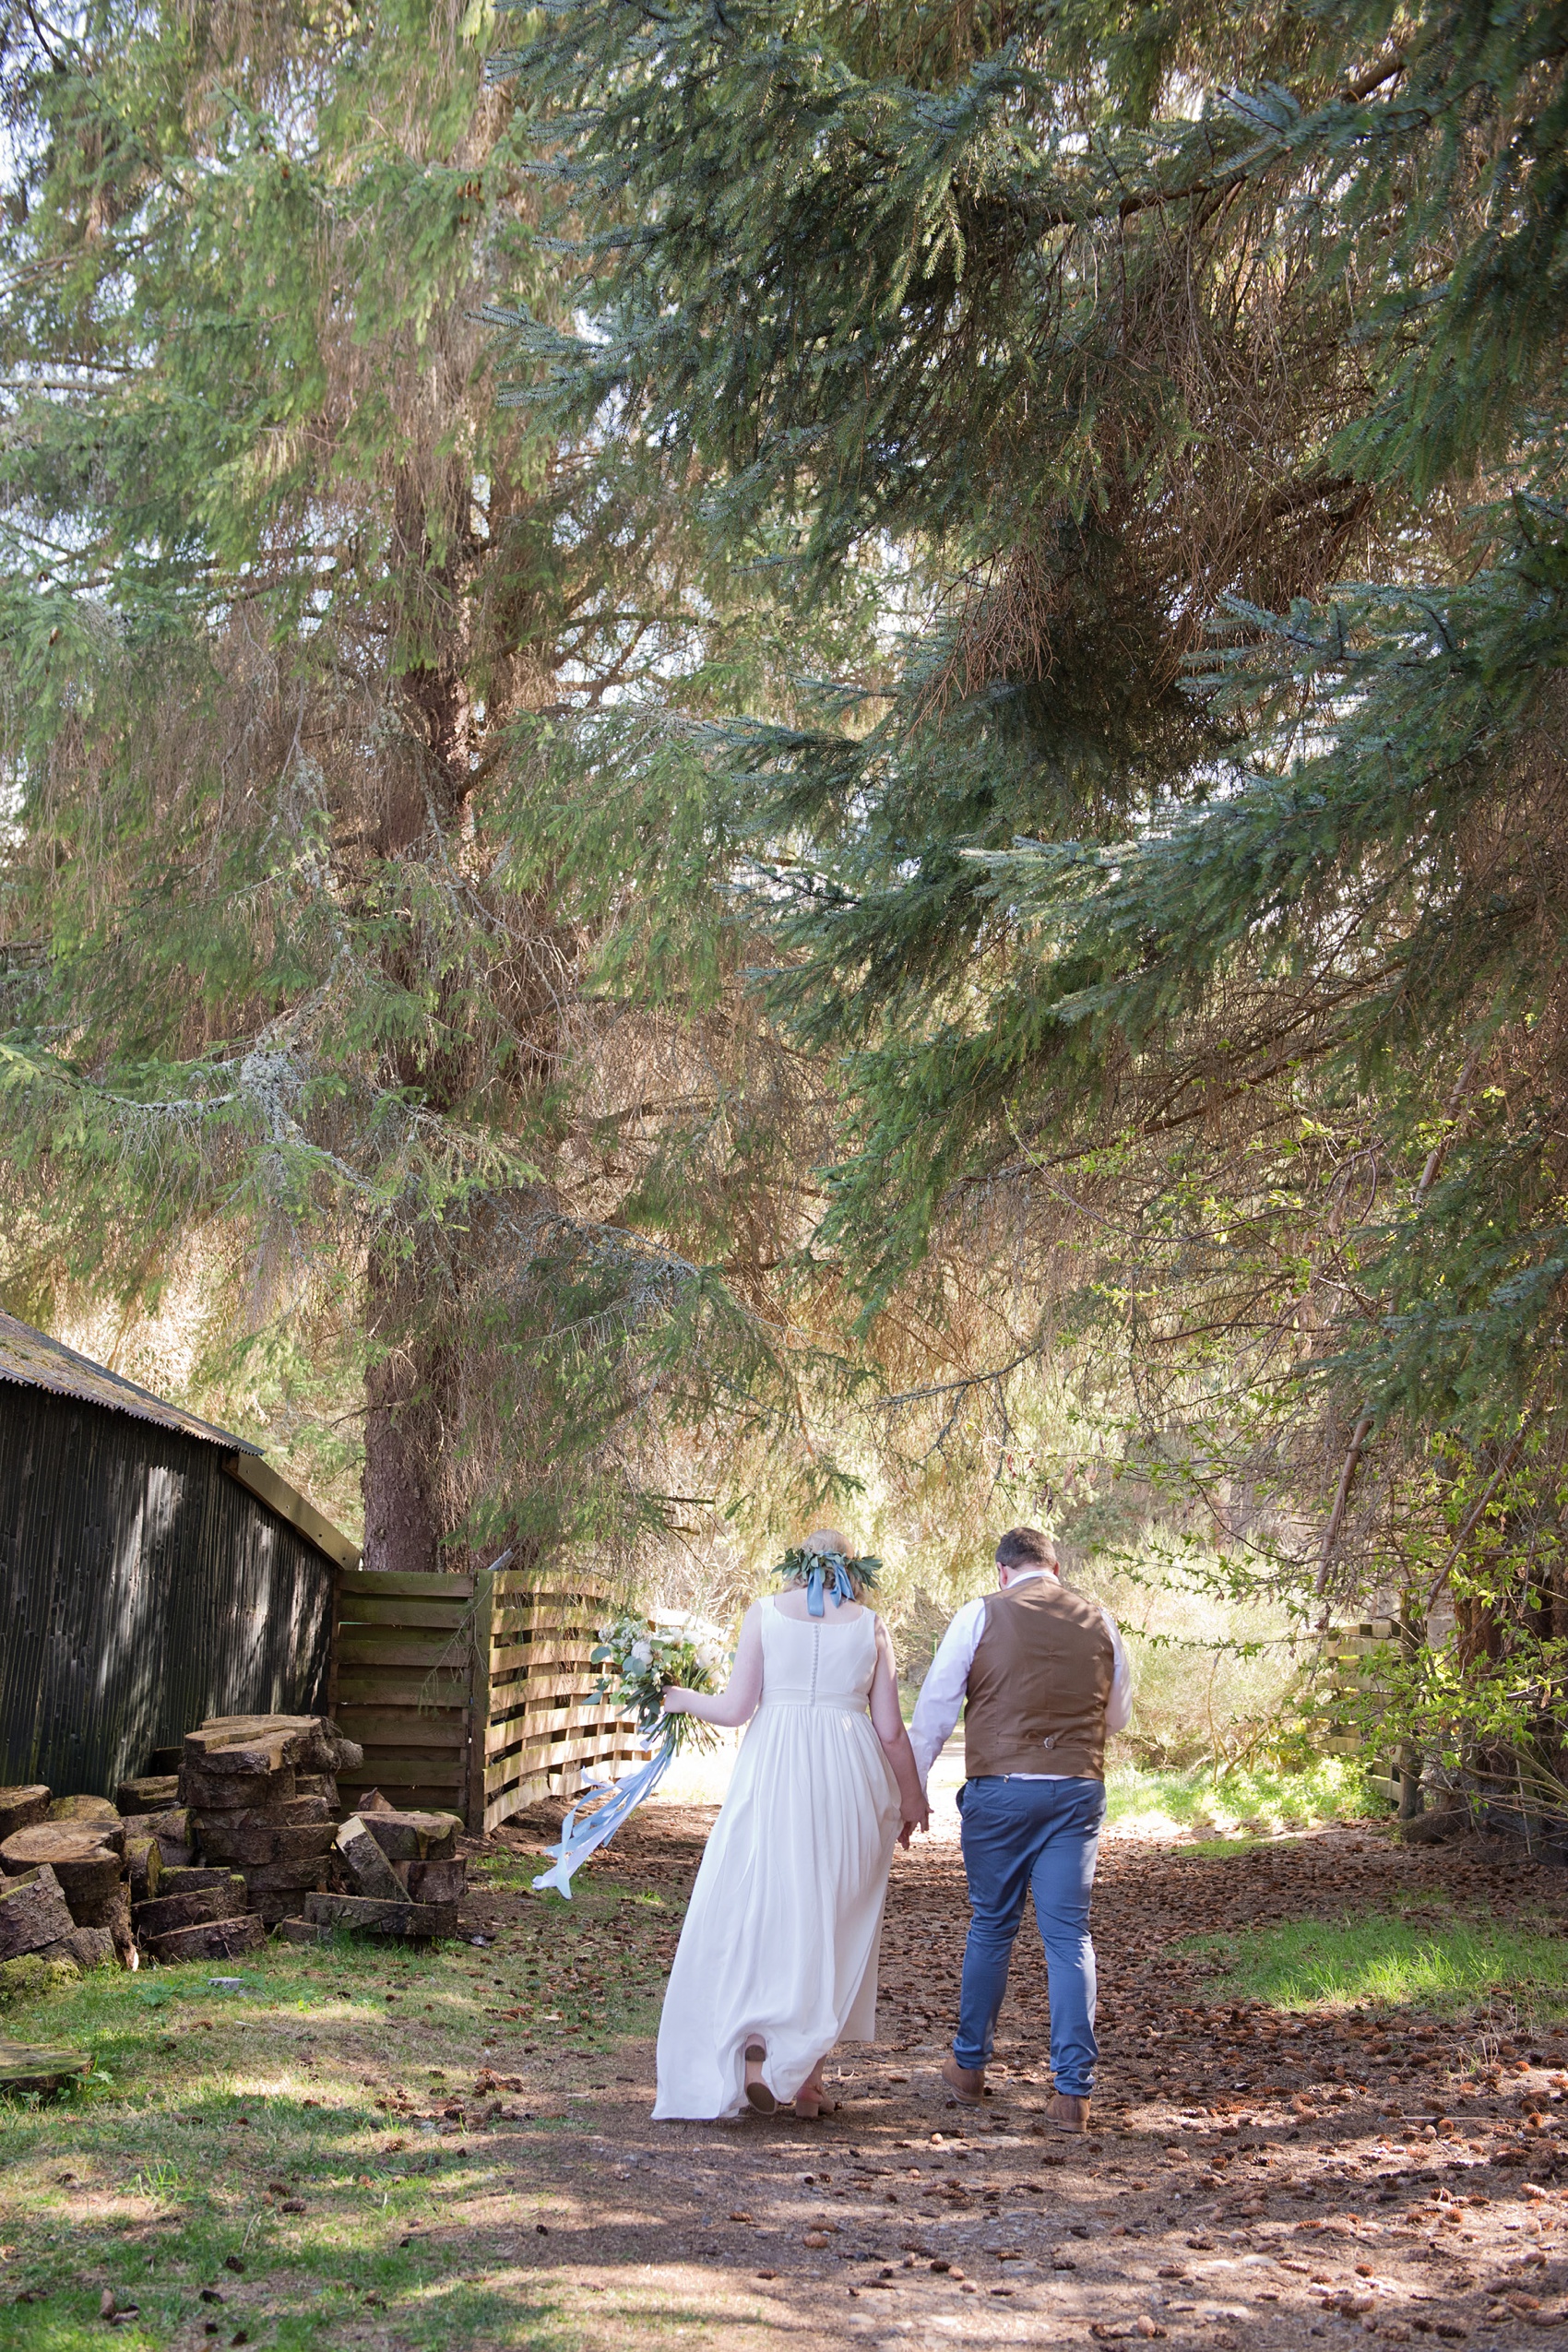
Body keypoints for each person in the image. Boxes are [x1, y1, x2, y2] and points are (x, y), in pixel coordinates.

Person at [650, 1528, 930, 2120]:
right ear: (852, 1569)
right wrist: (913, 1799)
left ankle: (757, 2042)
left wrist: (680, 1699)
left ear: (797, 1564)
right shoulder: (870, 1626)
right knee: (831, 1915)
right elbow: (890, 1731)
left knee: (765, 1903)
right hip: (847, 1776)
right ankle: (806, 2080)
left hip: (773, 1770)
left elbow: (733, 1710)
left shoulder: (762, 1615)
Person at [909, 1526, 1132, 2130]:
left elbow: (934, 1710)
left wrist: (908, 1790)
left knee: (992, 1927)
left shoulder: (979, 1615)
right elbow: (1116, 1714)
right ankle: (1072, 2093)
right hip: (1076, 1791)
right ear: (1054, 1567)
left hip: (1001, 1791)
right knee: (1068, 1938)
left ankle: (970, 2066)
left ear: (1002, 1571)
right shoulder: (1099, 1619)